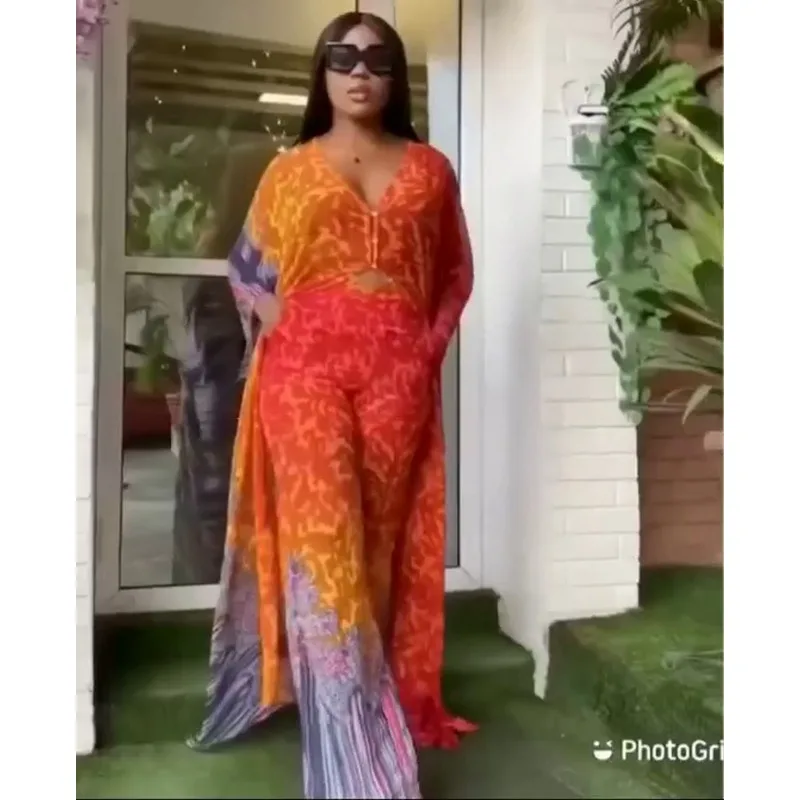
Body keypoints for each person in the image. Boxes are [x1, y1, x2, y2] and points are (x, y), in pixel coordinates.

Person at [188, 11, 476, 798]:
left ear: (395, 76)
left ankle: (358, 706)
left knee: (375, 548)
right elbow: (245, 264)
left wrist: (423, 348)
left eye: (377, 60)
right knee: (325, 550)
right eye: (342, 58)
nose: (359, 72)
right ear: (321, 72)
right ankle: (357, 758)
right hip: (303, 377)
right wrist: (276, 313)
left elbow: (454, 273)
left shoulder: (431, 170)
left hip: (395, 380)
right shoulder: (288, 170)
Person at [171, 146, 272, 585]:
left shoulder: (226, 262)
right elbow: (215, 401)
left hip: (217, 459)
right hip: (225, 460)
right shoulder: (228, 277)